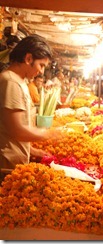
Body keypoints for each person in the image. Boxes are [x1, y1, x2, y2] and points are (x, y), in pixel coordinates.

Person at [0, 34, 63, 179]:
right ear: (28, 58)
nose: (41, 71)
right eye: (41, 65)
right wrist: (49, 134)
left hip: (16, 161)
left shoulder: (20, 81)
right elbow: (17, 130)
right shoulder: (11, 82)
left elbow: (12, 130)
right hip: (7, 164)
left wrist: (33, 151)